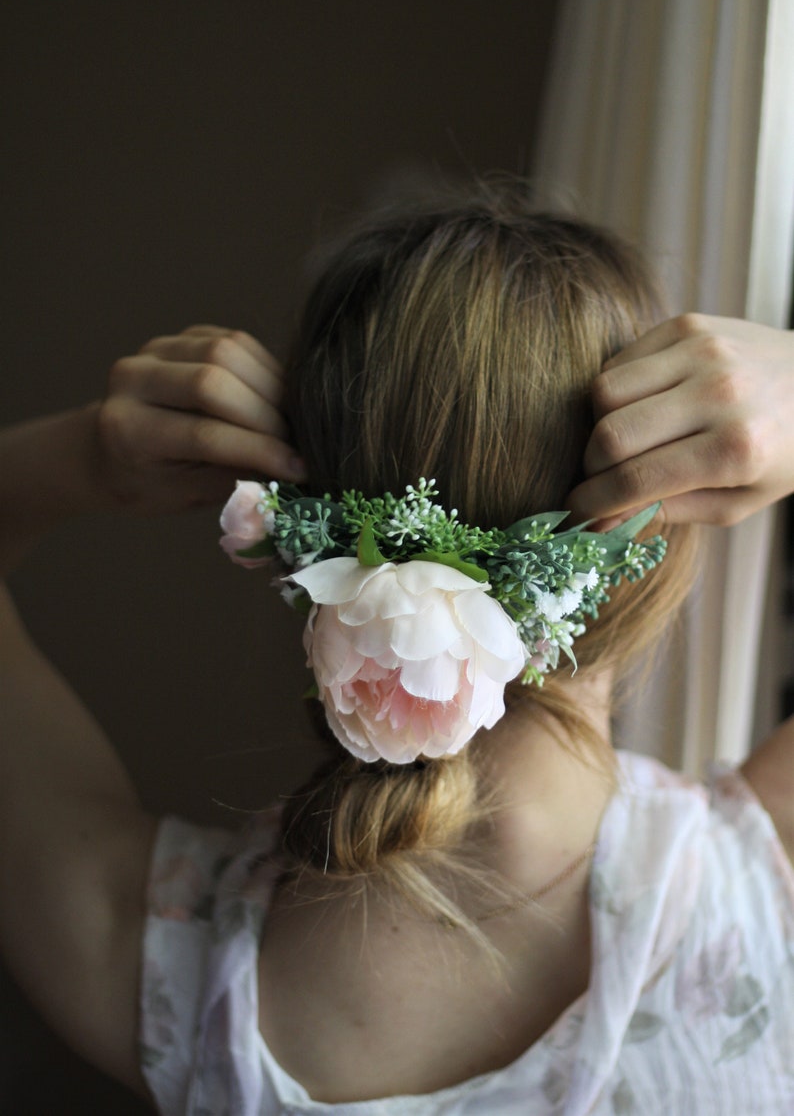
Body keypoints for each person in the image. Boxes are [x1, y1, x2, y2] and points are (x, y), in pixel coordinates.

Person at [1, 189, 794, 1114]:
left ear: (301, 529)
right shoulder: (766, 891)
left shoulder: (161, 963)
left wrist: (87, 452)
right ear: (654, 557)